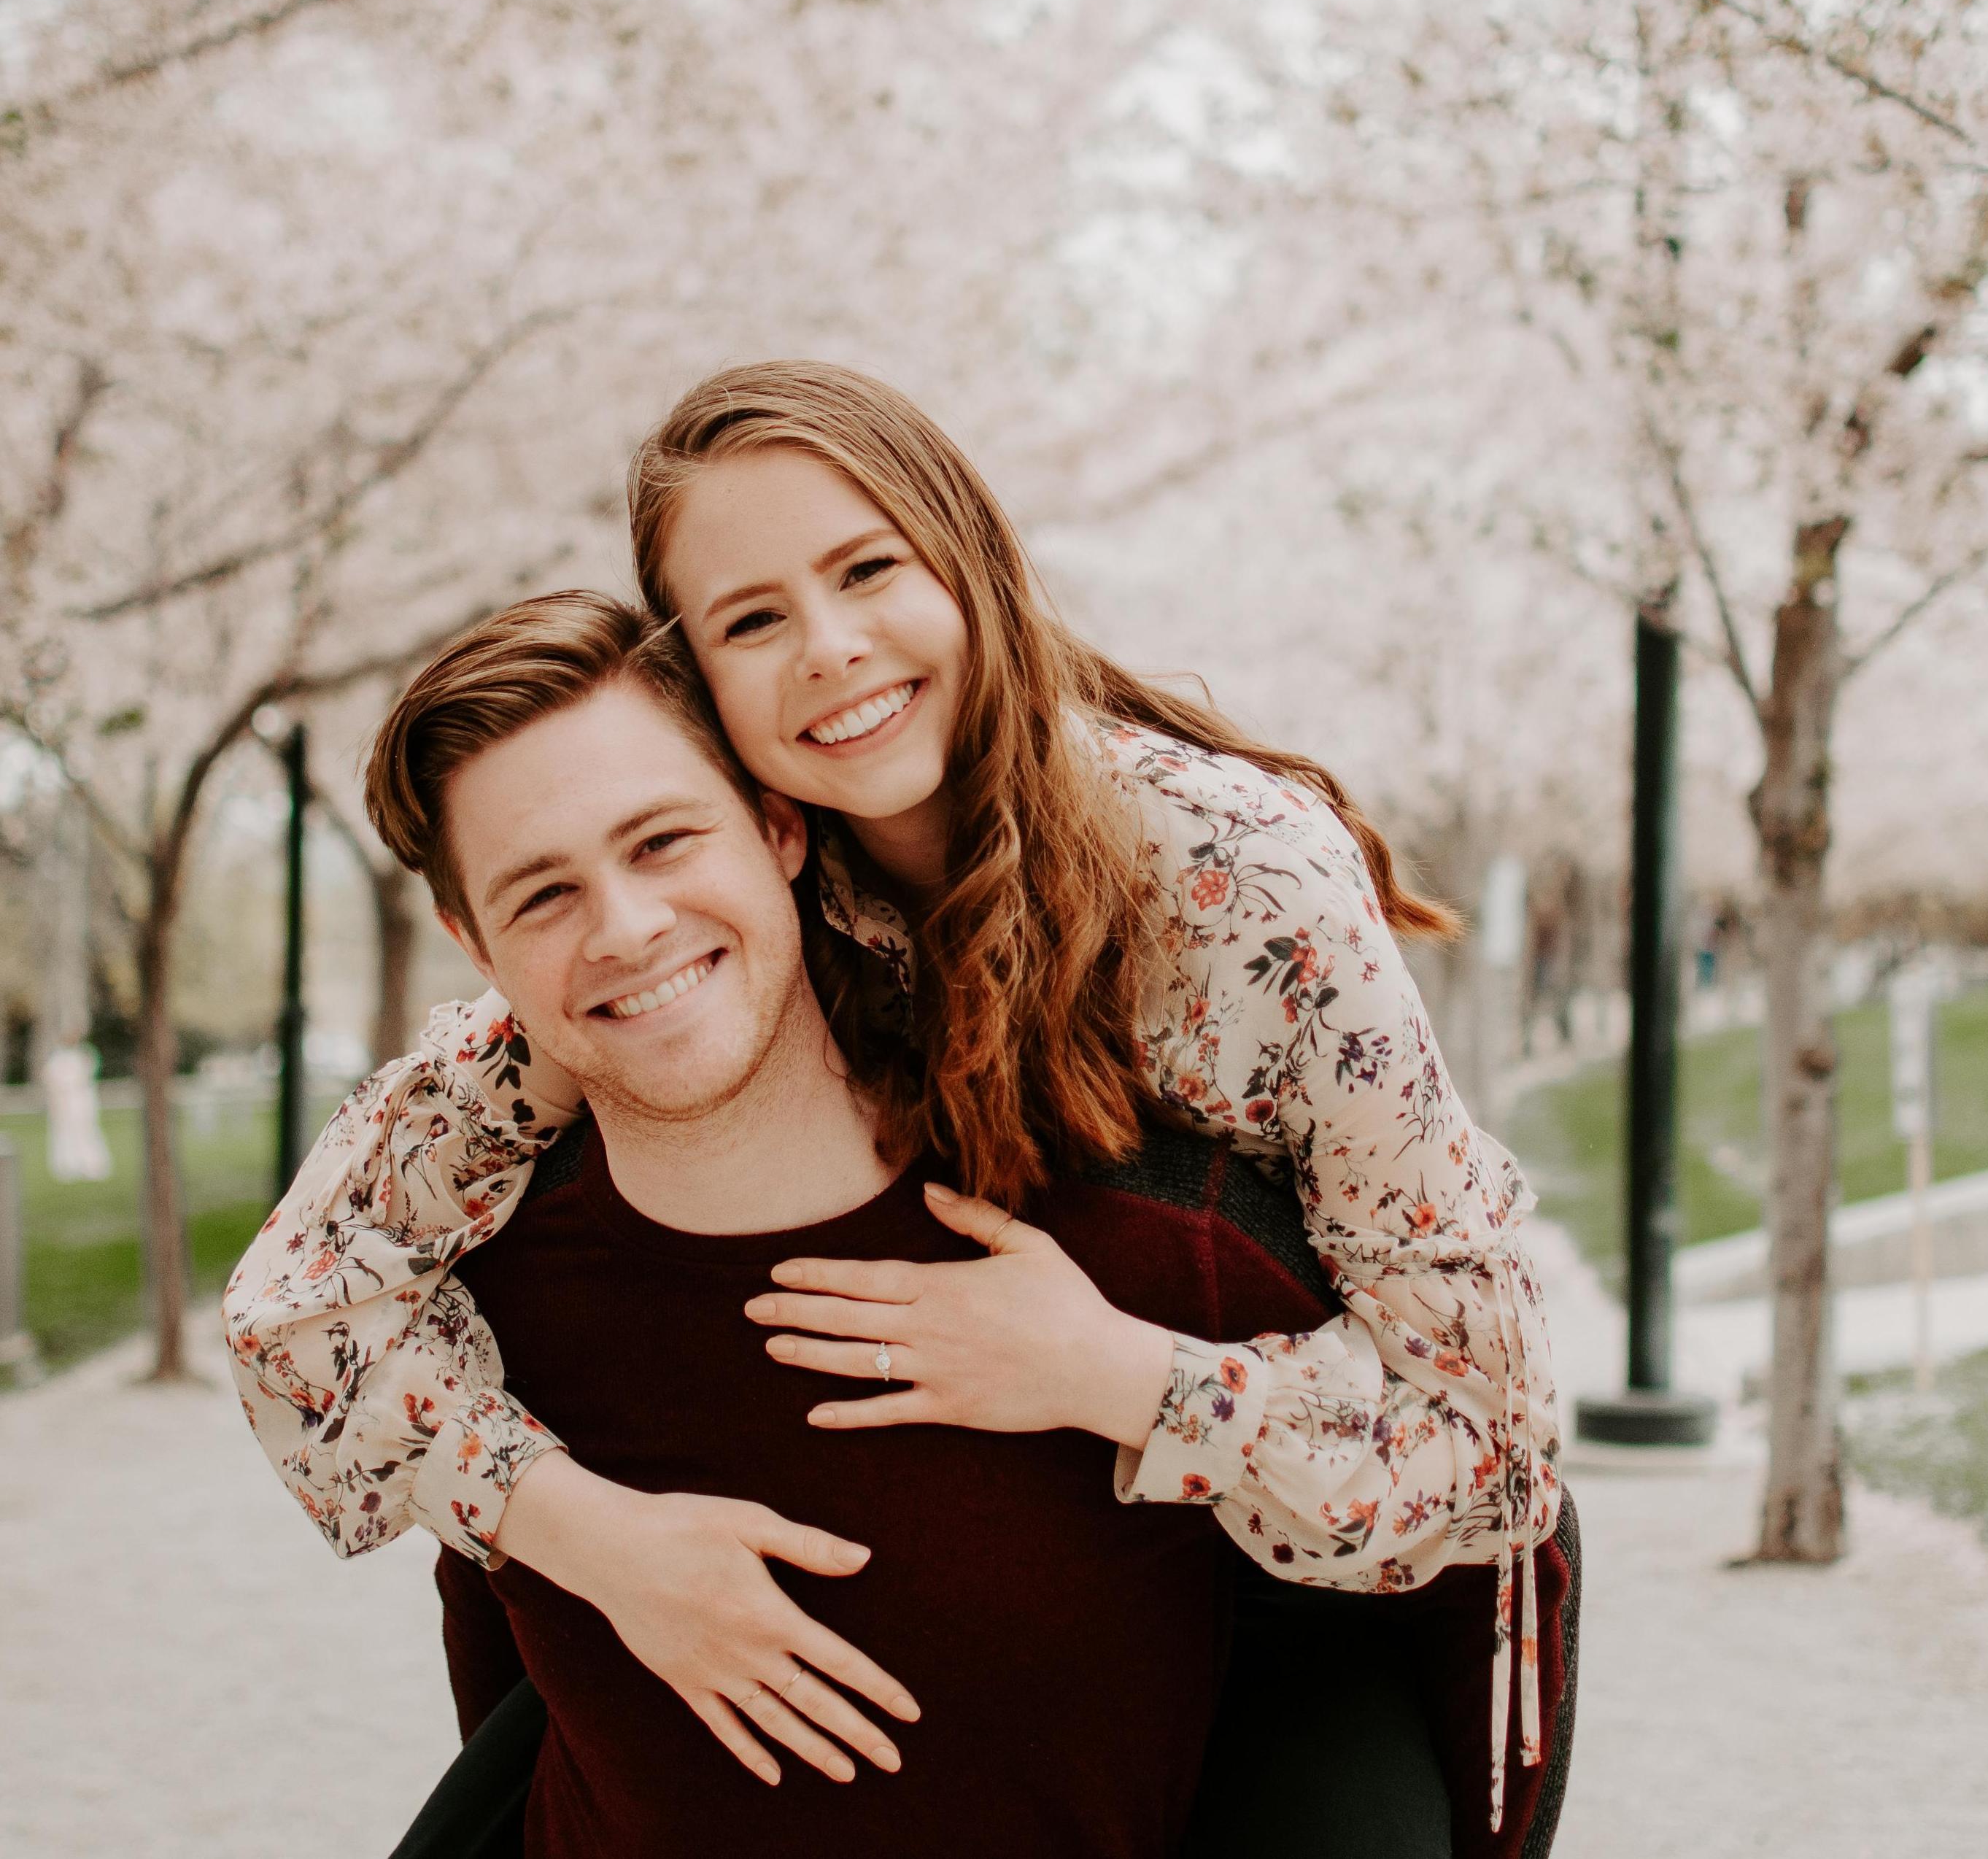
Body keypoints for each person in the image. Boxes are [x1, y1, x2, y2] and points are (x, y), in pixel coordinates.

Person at [223, 362, 1565, 1846]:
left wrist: (1101, 1368)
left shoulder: (1236, 878)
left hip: (1277, 1552)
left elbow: (1489, 1433)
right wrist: (596, 1534)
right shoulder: (689, 904)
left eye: (866, 568)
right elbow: (297, 1305)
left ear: (969, 558)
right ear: (713, 708)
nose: (830, 649)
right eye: (749, 619)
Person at [347, 588, 1454, 1857]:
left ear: (779, 828)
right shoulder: (468, 1313)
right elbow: (504, 1713)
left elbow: (1429, 1571)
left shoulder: (1138, 1256)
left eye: (662, 843)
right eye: (540, 895)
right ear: (470, 943)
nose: (628, 928)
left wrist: (1128, 1379)